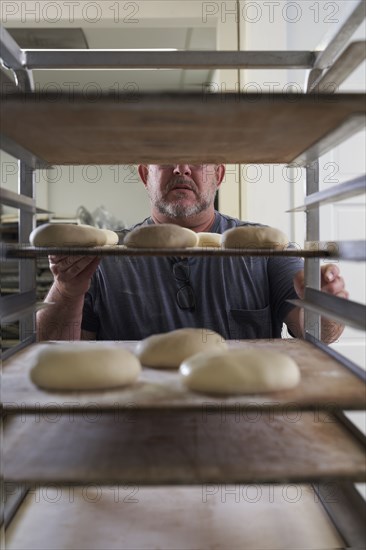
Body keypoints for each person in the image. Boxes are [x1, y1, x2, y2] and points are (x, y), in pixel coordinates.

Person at [37, 164, 348, 343]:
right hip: (130, 429)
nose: (181, 168)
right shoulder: (103, 256)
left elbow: (317, 333)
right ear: (146, 174)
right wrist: (66, 291)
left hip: (245, 425)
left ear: (219, 175)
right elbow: (52, 349)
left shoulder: (266, 248)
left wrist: (326, 305)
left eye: (198, 159)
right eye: (166, 157)